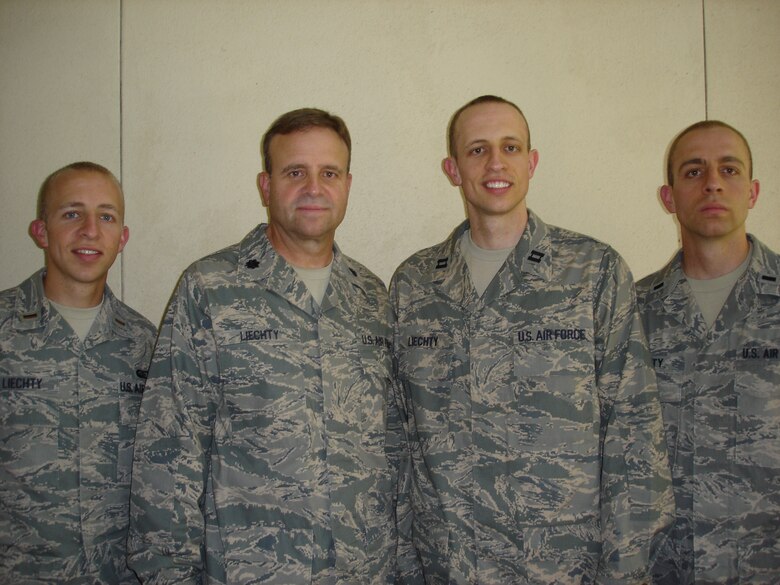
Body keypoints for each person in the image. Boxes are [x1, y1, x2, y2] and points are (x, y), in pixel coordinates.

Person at [391, 95, 673, 584]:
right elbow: (398, 444)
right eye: (477, 150)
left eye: (511, 146)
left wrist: (626, 572)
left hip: (563, 567)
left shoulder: (593, 272)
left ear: (532, 161)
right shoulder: (415, 284)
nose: (496, 162)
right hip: (451, 567)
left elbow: (636, 437)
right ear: (453, 169)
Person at [127, 108, 406, 584]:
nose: (314, 187)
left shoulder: (372, 298)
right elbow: (168, 448)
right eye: (295, 172)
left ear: (347, 185)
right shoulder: (210, 288)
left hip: (365, 570)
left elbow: (394, 448)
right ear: (266, 185)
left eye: (329, 173)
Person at [637, 120, 780, 584]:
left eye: (730, 170)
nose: (714, 182)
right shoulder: (630, 313)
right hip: (664, 570)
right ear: (668, 197)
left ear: (754, 191)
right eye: (694, 171)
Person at [0, 162, 157, 583]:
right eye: (71, 213)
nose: (90, 230)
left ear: (122, 238)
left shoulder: (144, 343)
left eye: (106, 217)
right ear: (41, 231)